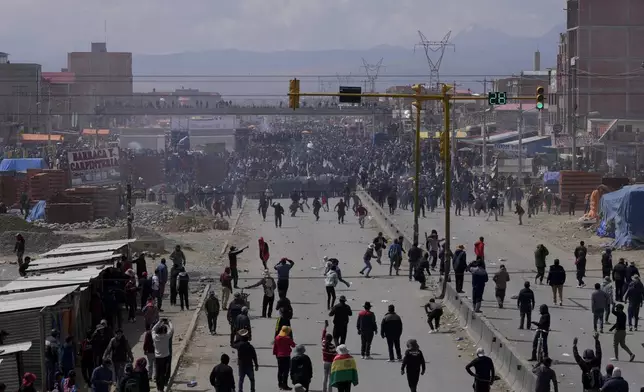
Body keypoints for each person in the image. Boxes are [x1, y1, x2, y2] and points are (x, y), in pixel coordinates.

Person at [151, 319, 173, 392]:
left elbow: (153, 329)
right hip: (166, 357)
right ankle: (162, 388)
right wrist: (168, 323)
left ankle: (158, 388)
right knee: (163, 373)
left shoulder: (155, 337)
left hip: (158, 358)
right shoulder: (166, 337)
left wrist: (159, 322)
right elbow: (171, 329)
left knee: (158, 373)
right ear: (164, 331)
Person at [273, 326, 296, 390]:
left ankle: (280, 384)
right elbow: (293, 345)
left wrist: (275, 354)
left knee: (280, 371)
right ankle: (285, 385)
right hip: (286, 356)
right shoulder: (287, 338)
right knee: (286, 371)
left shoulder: (277, 338)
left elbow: (275, 347)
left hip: (279, 356)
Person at [321, 321, 336, 392]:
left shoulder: (323, 343)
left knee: (325, 377)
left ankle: (324, 390)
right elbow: (334, 355)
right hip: (331, 363)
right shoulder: (332, 346)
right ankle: (330, 390)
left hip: (325, 362)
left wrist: (325, 327)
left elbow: (323, 335)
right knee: (331, 378)